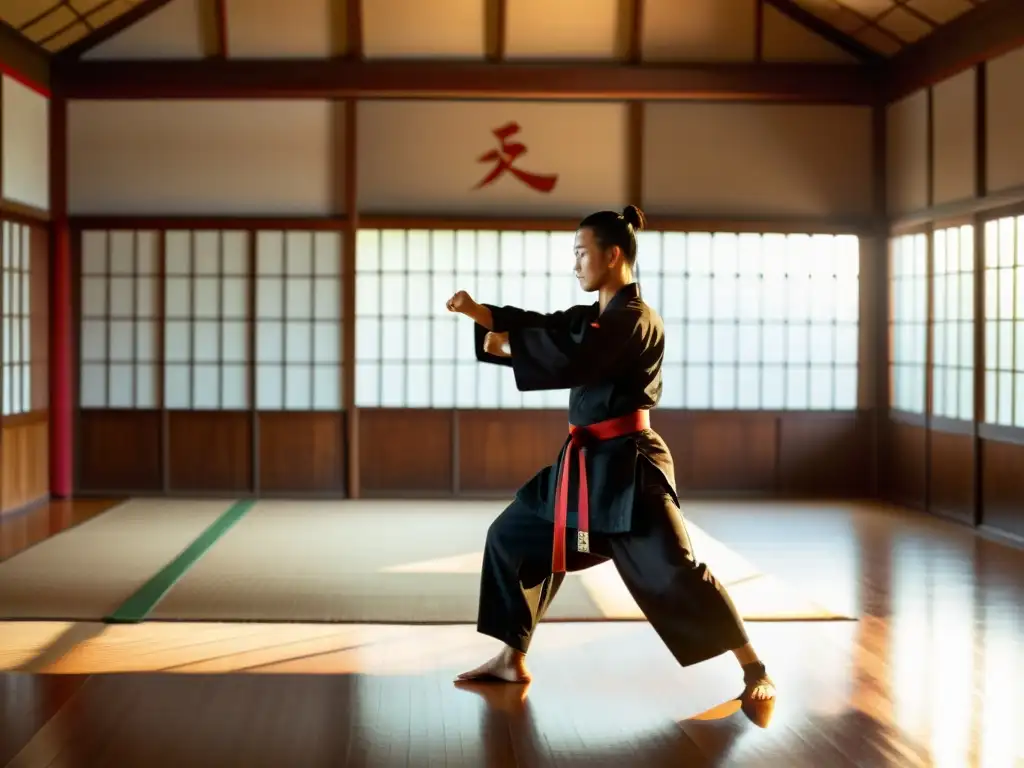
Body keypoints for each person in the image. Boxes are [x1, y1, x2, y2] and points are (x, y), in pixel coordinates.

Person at [445, 205, 776, 726]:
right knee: (511, 537)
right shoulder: (595, 315)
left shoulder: (635, 320)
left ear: (612, 254)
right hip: (580, 469)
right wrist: (482, 315)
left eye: (581, 252)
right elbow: (549, 328)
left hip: (628, 473)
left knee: (675, 572)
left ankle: (754, 667)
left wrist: (510, 345)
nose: (575, 263)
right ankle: (512, 659)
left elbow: (581, 355)